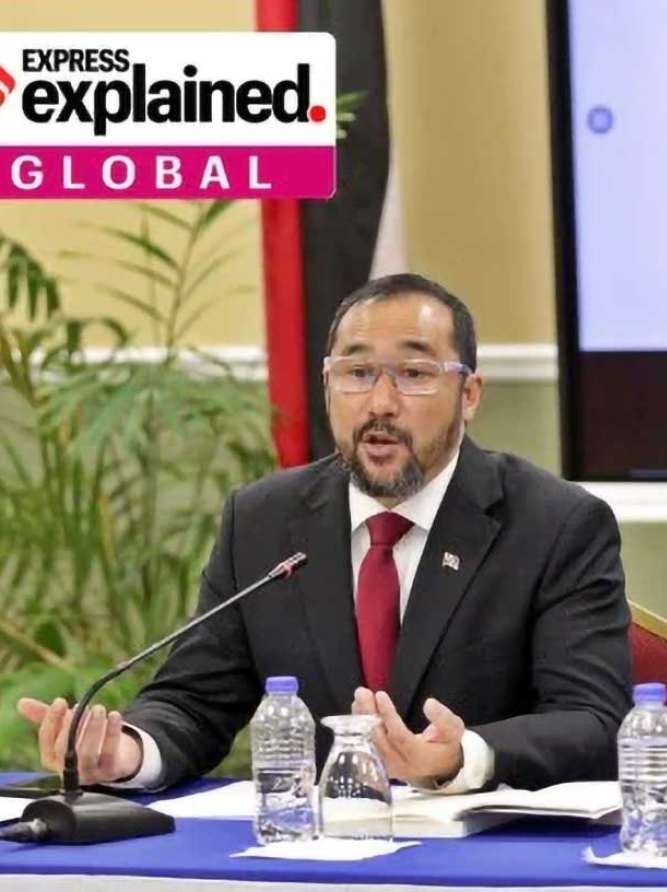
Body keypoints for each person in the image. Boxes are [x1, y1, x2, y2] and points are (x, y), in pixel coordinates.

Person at [17, 273, 633, 793]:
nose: (380, 403)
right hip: (314, 860)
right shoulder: (263, 520)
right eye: (356, 373)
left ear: (468, 394)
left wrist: (463, 755)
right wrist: (125, 752)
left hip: (485, 862)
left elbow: (594, 721)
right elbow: (194, 700)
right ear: (327, 386)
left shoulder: (555, 524)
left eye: (414, 374)